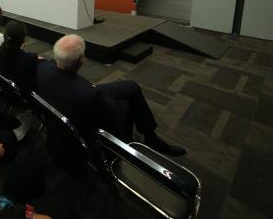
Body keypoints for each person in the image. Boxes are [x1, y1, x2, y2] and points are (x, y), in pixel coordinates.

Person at [37, 35, 186, 160]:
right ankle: (130, 141)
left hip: (70, 95)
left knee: (131, 87)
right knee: (126, 103)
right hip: (83, 107)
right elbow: (112, 113)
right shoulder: (89, 93)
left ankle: (150, 136)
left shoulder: (43, 69)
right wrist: (93, 91)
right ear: (82, 61)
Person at [0, 21, 38, 94]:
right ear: (23, 40)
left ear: (4, 36)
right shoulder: (30, 59)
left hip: (6, 92)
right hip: (23, 96)